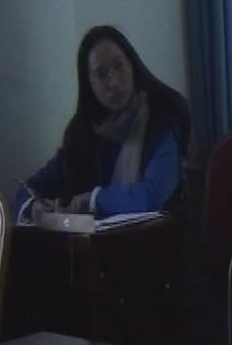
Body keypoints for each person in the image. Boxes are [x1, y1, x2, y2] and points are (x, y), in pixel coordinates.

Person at [15, 26, 190, 222]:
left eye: (118, 66)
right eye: (101, 74)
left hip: (158, 238)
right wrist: (32, 207)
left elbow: (151, 196)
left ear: (132, 64)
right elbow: (26, 190)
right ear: (89, 84)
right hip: (92, 241)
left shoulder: (162, 120)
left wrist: (91, 200)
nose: (113, 82)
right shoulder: (81, 133)